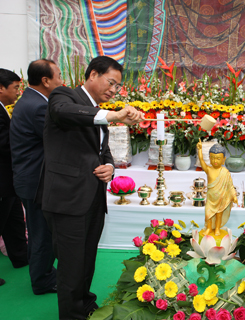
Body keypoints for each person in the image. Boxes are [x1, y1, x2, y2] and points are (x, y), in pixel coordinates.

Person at [37, 56, 144, 320]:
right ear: (93, 74)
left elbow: (100, 150)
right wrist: (112, 114)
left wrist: (109, 167)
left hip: (92, 197)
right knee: (71, 266)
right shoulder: (65, 96)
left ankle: (85, 304)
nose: (113, 90)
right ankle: (72, 315)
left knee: (86, 259)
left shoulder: (96, 109)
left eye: (117, 86)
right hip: (67, 198)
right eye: (111, 82)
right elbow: (63, 113)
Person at [10, 60, 63, 294]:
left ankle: (43, 272)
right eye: (59, 76)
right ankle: (42, 280)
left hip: (30, 179)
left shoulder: (32, 100)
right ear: (45, 80)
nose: (62, 81)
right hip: (36, 181)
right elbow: (58, 138)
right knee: (42, 233)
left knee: (39, 230)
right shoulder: (38, 106)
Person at [0, 69, 28, 286]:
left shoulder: (3, 109)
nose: (18, 93)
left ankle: (20, 256)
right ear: (1, 88)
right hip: (2, 177)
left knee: (14, 218)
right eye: (15, 88)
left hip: (9, 178)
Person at [197, 141, 237, 236]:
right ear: (209, 158)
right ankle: (209, 228)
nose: (215, 161)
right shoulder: (209, 169)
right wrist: (200, 149)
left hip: (220, 199)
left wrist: (234, 196)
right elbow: (201, 160)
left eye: (218, 158)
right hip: (210, 199)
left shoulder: (225, 172)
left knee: (219, 215)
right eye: (213, 158)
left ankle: (217, 229)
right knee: (208, 215)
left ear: (223, 159)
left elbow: (230, 186)